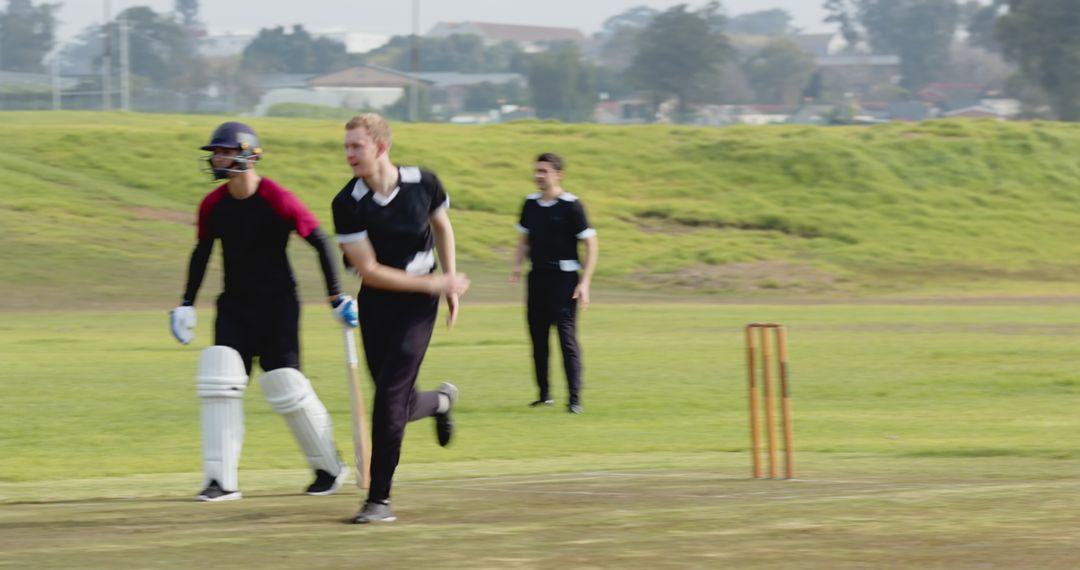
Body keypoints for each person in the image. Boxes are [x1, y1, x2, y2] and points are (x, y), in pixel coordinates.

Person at [170, 121, 358, 502]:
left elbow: (320, 241)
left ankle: (329, 467)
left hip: (278, 307)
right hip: (235, 306)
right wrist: (186, 302)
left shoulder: (276, 197)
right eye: (215, 153)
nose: (218, 159)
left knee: (284, 383)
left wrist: (335, 297)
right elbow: (202, 252)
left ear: (248, 154)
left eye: (224, 151)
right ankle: (221, 482)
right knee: (219, 374)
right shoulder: (213, 205)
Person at [331, 113, 469, 524]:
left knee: (389, 399)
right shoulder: (347, 203)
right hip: (379, 301)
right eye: (346, 147)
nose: (349, 154)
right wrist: (433, 284)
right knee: (399, 402)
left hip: (418, 307)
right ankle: (441, 401)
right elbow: (369, 271)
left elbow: (442, 227)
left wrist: (445, 279)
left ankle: (379, 501)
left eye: (356, 146)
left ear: (380, 146)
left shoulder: (423, 182)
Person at [510, 153, 598, 414]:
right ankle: (544, 395)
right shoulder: (530, 204)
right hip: (537, 278)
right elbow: (523, 240)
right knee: (537, 338)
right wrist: (517, 265)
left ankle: (574, 399)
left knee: (566, 339)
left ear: (558, 174)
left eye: (544, 171)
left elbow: (591, 244)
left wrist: (585, 283)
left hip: (564, 280)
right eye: (537, 170)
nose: (539, 175)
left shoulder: (571, 206)